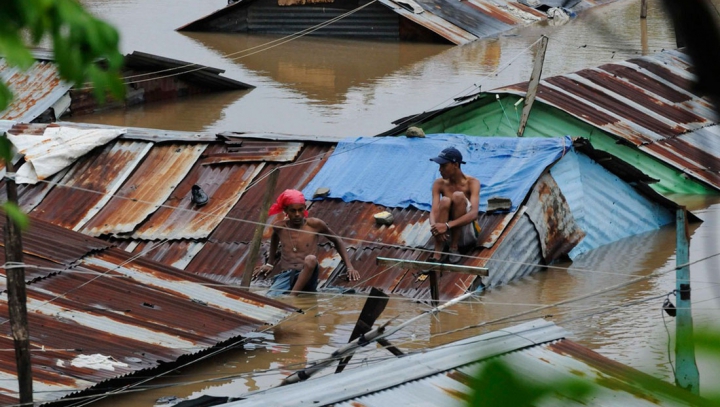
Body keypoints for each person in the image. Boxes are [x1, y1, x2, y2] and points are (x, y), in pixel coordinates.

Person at [253, 189, 359, 296]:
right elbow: (274, 241)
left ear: (305, 208)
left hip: (309, 274)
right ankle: (292, 293)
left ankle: (292, 296)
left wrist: (349, 267)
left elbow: (337, 240)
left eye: (300, 210)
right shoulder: (279, 227)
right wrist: (269, 264)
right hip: (287, 275)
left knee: (310, 259)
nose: (297, 214)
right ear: (286, 211)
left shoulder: (314, 224)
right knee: (270, 298)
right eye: (293, 211)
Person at [429, 147, 481, 263]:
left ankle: (454, 247)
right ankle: (437, 252)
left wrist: (447, 226)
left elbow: (474, 213)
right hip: (444, 235)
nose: (440, 170)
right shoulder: (439, 184)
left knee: (458, 196)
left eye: (444, 166)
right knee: (445, 201)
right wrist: (435, 227)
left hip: (466, 234)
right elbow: (433, 211)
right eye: (440, 166)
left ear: (455, 165)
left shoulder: (472, 183)